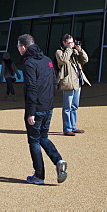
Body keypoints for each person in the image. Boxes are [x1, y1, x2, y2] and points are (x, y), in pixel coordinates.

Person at [18, 34, 68, 185]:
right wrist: (50, 102)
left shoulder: (29, 63)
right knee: (43, 137)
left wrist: (31, 112)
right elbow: (54, 82)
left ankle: (39, 175)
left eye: (18, 46)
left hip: (36, 108)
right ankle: (58, 160)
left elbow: (32, 88)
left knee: (34, 141)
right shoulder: (47, 60)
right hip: (48, 106)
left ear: (23, 47)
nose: (18, 49)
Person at [55, 34, 90, 136]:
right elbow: (63, 60)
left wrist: (80, 50)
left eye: (72, 42)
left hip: (77, 82)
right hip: (68, 82)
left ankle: (73, 126)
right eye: (69, 42)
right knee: (67, 107)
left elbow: (85, 60)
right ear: (64, 43)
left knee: (74, 106)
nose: (71, 44)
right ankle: (67, 128)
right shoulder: (59, 52)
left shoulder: (74, 52)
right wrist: (69, 49)